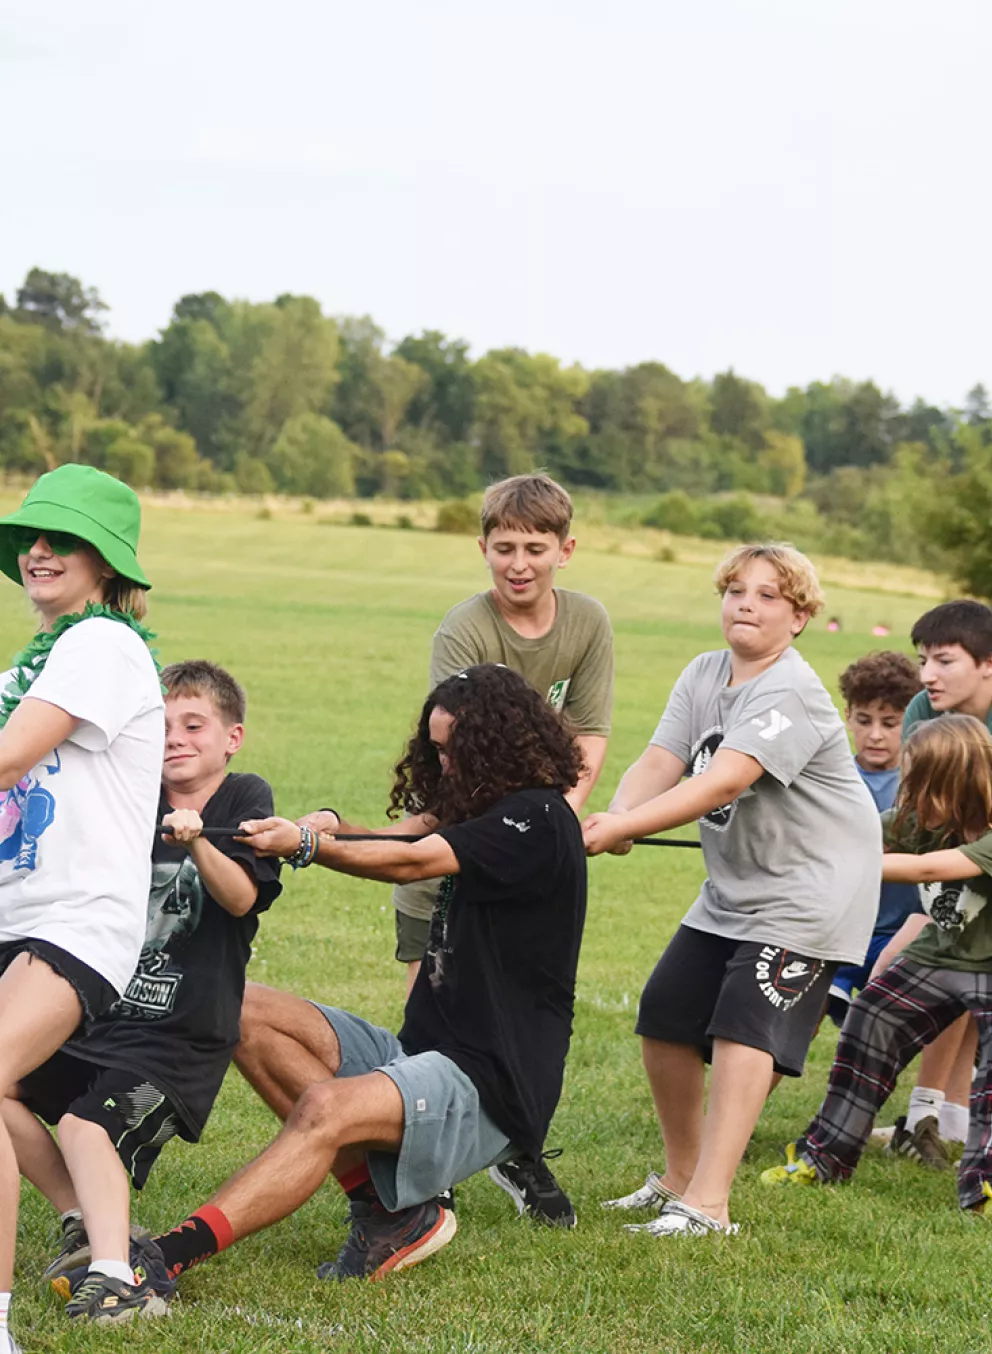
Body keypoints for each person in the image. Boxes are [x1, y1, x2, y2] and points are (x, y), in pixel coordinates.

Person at [133, 664, 586, 1295]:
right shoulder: (477, 810)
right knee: (239, 1009)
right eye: (436, 750)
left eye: (455, 750)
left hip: (492, 1084)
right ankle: (390, 1214)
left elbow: (411, 861)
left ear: (497, 745)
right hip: (425, 1053)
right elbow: (395, 834)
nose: (444, 763)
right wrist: (326, 823)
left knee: (326, 1107)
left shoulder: (537, 818)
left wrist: (306, 848)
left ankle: (165, 1255)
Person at [303, 472, 611, 1227]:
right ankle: (420, 1174)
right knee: (435, 1008)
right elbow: (463, 753)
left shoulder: (589, 623)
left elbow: (590, 734)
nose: (519, 563)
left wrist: (558, 827)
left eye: (535, 548)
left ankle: (514, 1152)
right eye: (503, 547)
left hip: (526, 831)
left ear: (565, 550)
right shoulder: (463, 629)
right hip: (449, 829)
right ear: (482, 548)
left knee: (507, 1024)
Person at [585, 542, 880, 1237]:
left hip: (812, 889)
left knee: (742, 1028)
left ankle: (710, 1205)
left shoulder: (792, 691)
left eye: (769, 595)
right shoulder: (704, 672)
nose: (746, 604)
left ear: (800, 616)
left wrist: (623, 824)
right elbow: (664, 759)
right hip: (736, 887)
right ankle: (679, 1179)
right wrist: (623, 817)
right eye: (735, 591)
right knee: (664, 1015)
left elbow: (723, 780)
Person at [6, 660, 282, 1324]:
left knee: (82, 1124)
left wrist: (196, 841)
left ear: (232, 737)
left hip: (176, 1035)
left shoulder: (243, 797)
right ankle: (90, 1222)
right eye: (161, 727)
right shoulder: (130, 797)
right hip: (98, 1020)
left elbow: (243, 898)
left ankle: (121, 1282)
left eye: (195, 725)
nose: (176, 739)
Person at [0, 466, 164, 1353]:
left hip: (75, 920)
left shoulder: (102, 645)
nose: (37, 551)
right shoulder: (37, 659)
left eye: (60, 538)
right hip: (17, 913)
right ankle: (82, 1224)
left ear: (105, 562)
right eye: (30, 537)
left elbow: (8, 757)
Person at [760, 715, 992, 1217]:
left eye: (921, 787)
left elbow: (933, 868)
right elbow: (857, 832)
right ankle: (824, 1157)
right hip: (941, 953)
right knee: (873, 1018)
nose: (908, 800)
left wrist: (848, 863)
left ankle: (985, 1185)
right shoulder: (920, 818)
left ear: (958, 784)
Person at [871, 600, 992, 1165]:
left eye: (944, 661)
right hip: (954, 875)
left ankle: (938, 1118)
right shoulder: (924, 708)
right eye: (923, 660)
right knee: (890, 972)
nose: (926, 676)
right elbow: (924, 814)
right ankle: (931, 1118)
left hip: (972, 868)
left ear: (987, 663)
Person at [825, 651, 923, 1026]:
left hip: (901, 935)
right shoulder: (832, 780)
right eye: (864, 721)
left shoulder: (922, 785)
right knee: (798, 1018)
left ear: (911, 722)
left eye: (890, 722)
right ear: (848, 716)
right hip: (838, 933)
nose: (876, 734)